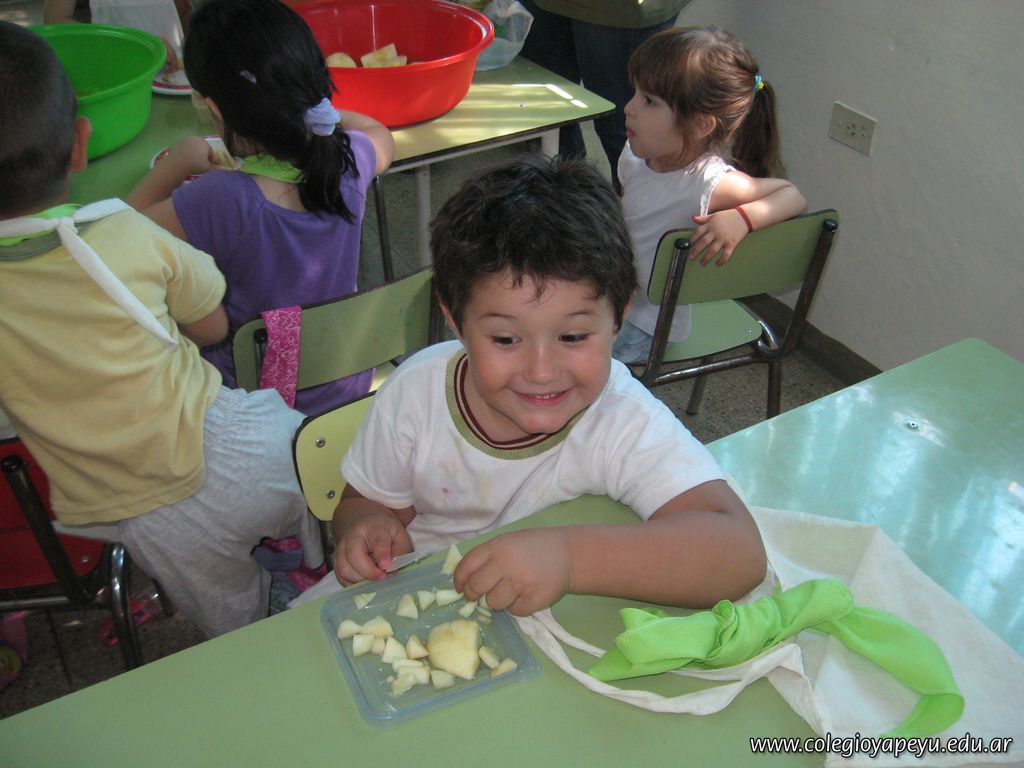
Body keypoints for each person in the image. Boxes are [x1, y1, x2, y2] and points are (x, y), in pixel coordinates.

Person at [330, 154, 767, 616]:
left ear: (619, 316)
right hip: (411, 605)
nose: (541, 372)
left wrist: (570, 559)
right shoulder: (416, 393)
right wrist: (366, 526)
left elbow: (738, 551)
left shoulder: (620, 419)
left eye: (573, 337)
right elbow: (366, 503)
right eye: (505, 339)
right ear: (454, 319)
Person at [0, 20, 322, 638]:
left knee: (236, 624)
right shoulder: (127, 233)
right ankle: (315, 567)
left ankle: (270, 624)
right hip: (250, 450)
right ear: (79, 143)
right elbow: (211, 324)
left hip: (144, 512)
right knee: (319, 500)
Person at [127, 0, 395, 416]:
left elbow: (121, 233)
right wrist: (314, 116)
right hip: (346, 386)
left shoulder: (220, 199)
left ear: (215, 109)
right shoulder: (350, 163)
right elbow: (379, 133)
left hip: (252, 406)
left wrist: (179, 162)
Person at [612, 26, 807, 365]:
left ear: (701, 124)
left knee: (563, 357)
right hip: (612, 297)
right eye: (635, 93)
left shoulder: (708, 182)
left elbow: (791, 196)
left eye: (649, 101)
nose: (630, 108)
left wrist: (741, 219)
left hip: (645, 326)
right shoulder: (634, 155)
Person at [519, 0, 689, 191]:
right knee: (545, 116)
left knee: (627, 131)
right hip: (545, 5)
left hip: (619, 9)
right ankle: (570, 201)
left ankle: (637, 207)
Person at [43, 0, 189, 71]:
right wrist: (138, 44)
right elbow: (55, 23)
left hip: (168, 75)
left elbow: (184, 11)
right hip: (98, 74)